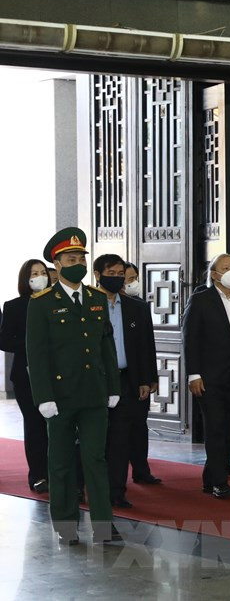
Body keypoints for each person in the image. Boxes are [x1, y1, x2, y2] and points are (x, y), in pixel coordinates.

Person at [26, 228, 121, 544]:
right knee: (62, 462)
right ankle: (66, 527)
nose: (78, 262)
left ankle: (103, 526)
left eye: (81, 257)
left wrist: (113, 387)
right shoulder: (41, 303)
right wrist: (43, 396)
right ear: (57, 264)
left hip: (94, 394)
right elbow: (36, 355)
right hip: (60, 397)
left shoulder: (95, 298)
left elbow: (106, 346)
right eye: (71, 258)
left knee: (96, 459)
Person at [182, 253, 230, 498]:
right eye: (225, 267)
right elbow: (190, 339)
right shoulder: (201, 300)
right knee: (215, 427)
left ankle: (211, 477)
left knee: (227, 427)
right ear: (214, 274)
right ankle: (219, 482)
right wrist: (193, 374)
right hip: (207, 377)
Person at [93, 254, 160, 508]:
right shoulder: (88, 304)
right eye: (111, 273)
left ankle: (116, 492)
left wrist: (148, 378)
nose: (118, 278)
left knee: (121, 438)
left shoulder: (137, 308)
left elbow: (146, 346)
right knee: (93, 439)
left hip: (126, 380)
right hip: (96, 380)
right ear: (98, 275)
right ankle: (81, 486)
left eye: (121, 273)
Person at [0, 259, 51, 493]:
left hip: (57, 375)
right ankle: (38, 475)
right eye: (34, 273)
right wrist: (32, 345)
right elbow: (4, 340)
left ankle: (60, 472)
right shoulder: (13, 306)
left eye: (43, 272)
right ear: (25, 278)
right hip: (26, 375)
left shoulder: (59, 302)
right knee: (34, 425)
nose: (40, 277)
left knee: (58, 425)